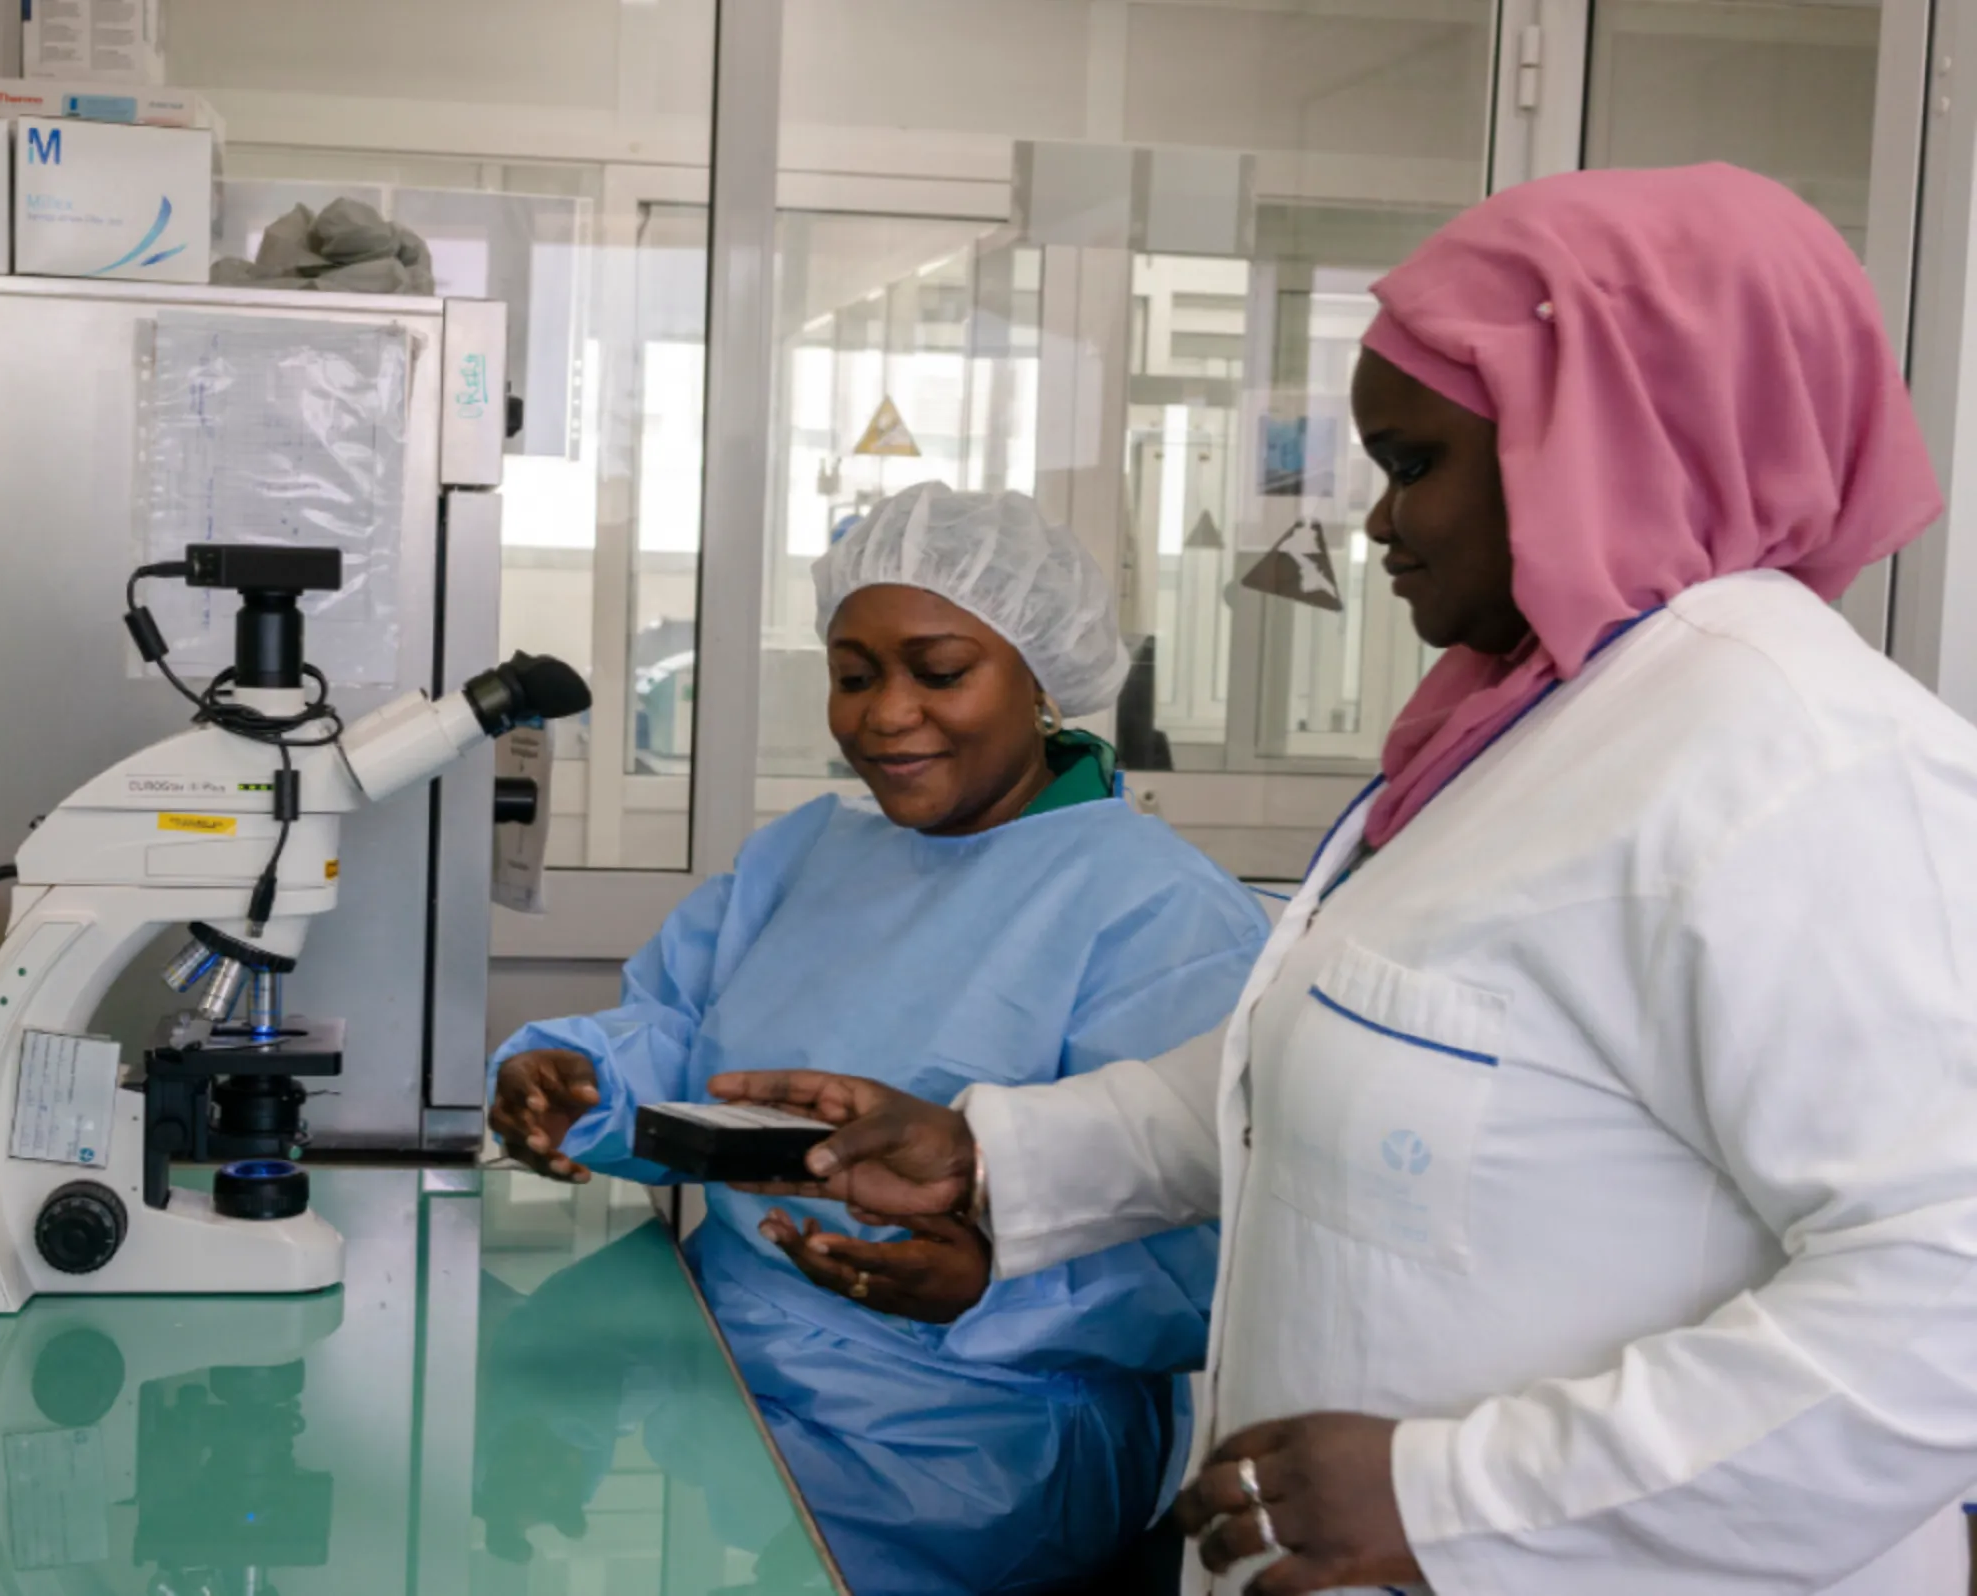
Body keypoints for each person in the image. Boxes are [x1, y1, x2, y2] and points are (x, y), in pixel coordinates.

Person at [714, 164, 1977, 1596]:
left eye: (1418, 463)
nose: (1379, 524)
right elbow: (1331, 1068)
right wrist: (995, 1155)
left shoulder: (1801, 764)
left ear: (1613, 438)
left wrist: (1458, 1494)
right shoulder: (1530, 728)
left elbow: (1947, 1290)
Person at [487, 482, 1268, 1595]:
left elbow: (1211, 1241)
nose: (883, 714)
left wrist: (993, 1283)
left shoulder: (1158, 911)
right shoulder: (812, 851)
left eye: (939, 672)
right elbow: (679, 1034)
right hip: (724, 1349)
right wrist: (576, 1082)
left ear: (1044, 678)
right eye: (853, 677)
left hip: (975, 1431)